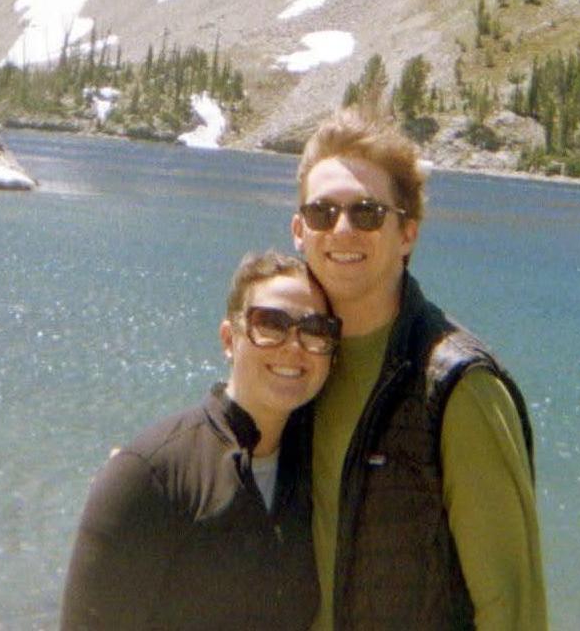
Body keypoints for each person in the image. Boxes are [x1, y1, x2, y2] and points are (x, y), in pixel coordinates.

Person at [291, 108, 548, 630]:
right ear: (300, 230)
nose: (342, 229)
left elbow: (512, 608)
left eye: (367, 213)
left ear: (407, 233)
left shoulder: (459, 386)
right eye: (322, 213)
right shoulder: (293, 365)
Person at [60, 249, 341, 629]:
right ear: (229, 339)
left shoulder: (315, 473)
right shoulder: (151, 474)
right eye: (270, 324)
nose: (294, 345)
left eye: (315, 330)